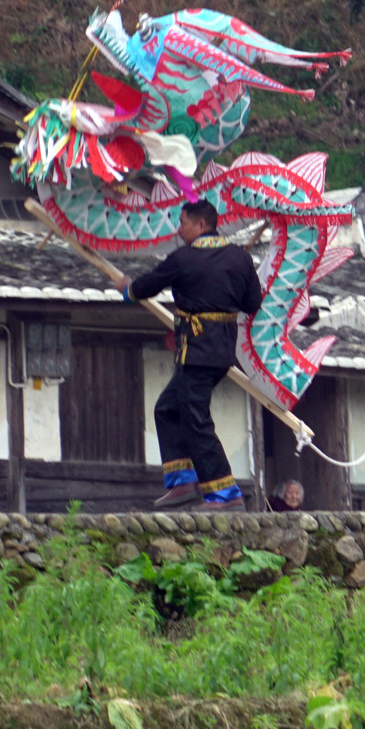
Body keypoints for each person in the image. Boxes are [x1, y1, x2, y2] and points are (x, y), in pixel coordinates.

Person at [128, 199, 263, 510]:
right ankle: (182, 482)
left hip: (196, 351)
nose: (179, 229)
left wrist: (129, 289)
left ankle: (224, 493)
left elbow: (148, 285)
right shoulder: (239, 258)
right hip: (220, 351)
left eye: (183, 222)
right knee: (167, 409)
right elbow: (252, 303)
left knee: (195, 420)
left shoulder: (184, 258)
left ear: (201, 225)